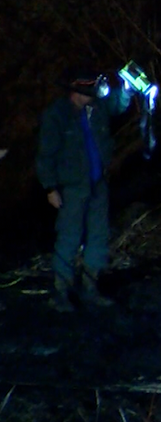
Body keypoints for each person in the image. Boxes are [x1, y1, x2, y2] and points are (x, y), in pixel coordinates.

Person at [35, 67, 134, 312]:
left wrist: (127, 90)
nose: (93, 95)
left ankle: (90, 288)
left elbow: (118, 105)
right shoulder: (56, 115)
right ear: (76, 91)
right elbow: (45, 155)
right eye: (88, 91)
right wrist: (50, 188)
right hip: (71, 187)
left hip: (97, 183)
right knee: (69, 236)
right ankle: (61, 293)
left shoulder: (97, 108)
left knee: (98, 236)